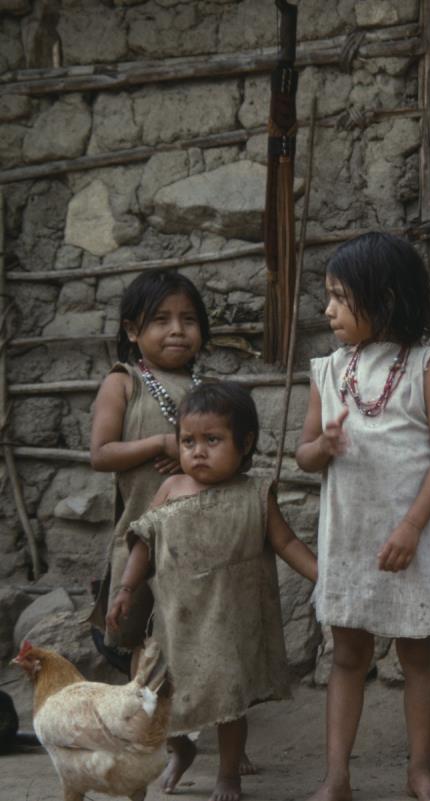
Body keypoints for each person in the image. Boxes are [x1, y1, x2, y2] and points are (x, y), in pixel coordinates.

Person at [296, 232, 430, 801]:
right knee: (347, 655)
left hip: (408, 535)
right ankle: (336, 777)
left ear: (385, 299)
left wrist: (413, 527)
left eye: (341, 298)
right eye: (329, 297)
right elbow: (304, 455)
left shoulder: (428, 366)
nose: (329, 310)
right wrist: (324, 446)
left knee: (418, 655)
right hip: (350, 536)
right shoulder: (327, 370)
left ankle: (420, 771)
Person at [107, 382, 318, 801]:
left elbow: (288, 543)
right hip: (174, 623)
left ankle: (227, 775)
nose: (197, 451)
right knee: (153, 699)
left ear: (246, 443)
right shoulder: (170, 490)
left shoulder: (255, 495)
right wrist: (126, 588)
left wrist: (323, 576)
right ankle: (181, 750)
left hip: (226, 624)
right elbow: (143, 540)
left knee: (228, 702)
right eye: (188, 441)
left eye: (212, 440)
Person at [87, 270, 216, 786]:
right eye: (160, 320)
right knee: (148, 654)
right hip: (143, 544)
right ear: (132, 330)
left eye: (188, 319)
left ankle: (222, 745)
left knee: (208, 645)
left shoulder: (208, 391)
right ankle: (170, 743)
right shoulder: (124, 382)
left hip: (202, 548)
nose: (177, 330)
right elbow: (101, 454)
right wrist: (160, 445)